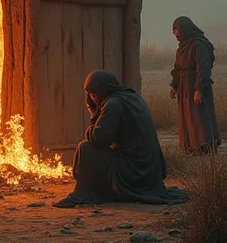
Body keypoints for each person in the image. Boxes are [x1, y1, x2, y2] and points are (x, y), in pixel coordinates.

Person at [54, 69, 186, 208]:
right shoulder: (131, 96)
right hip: (149, 171)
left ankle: (85, 194)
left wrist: (92, 118)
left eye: (92, 94)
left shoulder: (113, 104)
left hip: (134, 171)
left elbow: (99, 139)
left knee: (85, 148)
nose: (91, 99)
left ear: (101, 91)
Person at [170, 16, 221, 154]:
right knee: (187, 117)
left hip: (196, 85)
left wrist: (198, 89)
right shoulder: (182, 48)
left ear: (184, 29)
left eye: (176, 30)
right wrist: (174, 85)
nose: (174, 33)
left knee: (199, 116)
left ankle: (204, 146)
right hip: (184, 87)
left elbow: (203, 69)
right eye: (173, 30)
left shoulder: (198, 45)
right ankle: (191, 146)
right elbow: (178, 68)